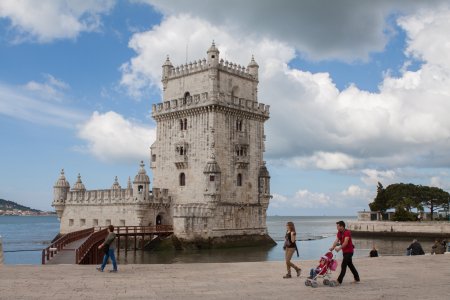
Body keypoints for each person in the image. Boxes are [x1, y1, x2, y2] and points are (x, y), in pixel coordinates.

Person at [329, 220, 360, 285]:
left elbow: (345, 242)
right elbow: (336, 241)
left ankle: (339, 281)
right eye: (337, 226)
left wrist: (339, 248)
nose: (337, 228)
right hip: (345, 252)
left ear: (342, 226)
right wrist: (332, 247)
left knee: (343, 265)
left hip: (349, 251)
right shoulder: (339, 233)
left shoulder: (347, 232)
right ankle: (357, 278)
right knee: (350, 265)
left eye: (338, 226)